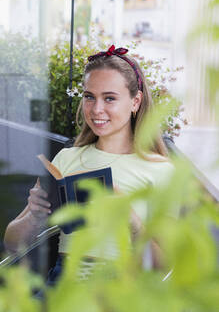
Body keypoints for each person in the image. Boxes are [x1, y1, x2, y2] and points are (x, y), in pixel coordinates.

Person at [4, 44, 174, 282]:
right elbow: (12, 245)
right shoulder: (67, 159)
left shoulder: (160, 170)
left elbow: (164, 267)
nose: (97, 109)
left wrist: (131, 220)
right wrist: (34, 215)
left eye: (110, 98)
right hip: (63, 285)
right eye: (89, 97)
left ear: (135, 102)